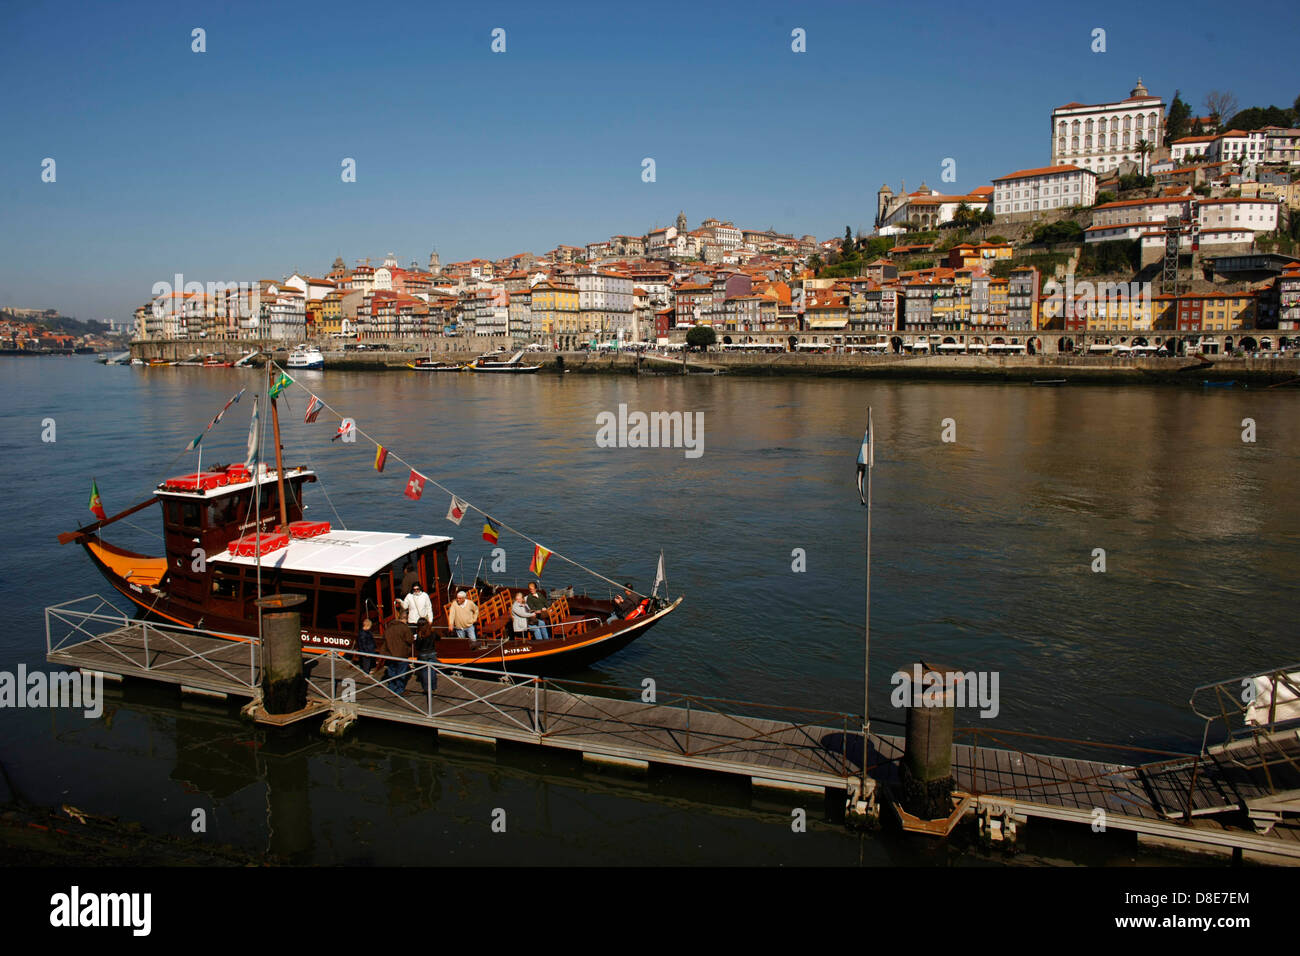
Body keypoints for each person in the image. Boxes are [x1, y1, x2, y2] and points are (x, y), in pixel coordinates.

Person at [383, 606, 414, 694]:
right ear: (405, 618)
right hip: (401, 655)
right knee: (401, 673)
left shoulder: (389, 627)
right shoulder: (405, 628)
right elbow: (410, 640)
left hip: (390, 654)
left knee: (391, 671)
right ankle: (399, 690)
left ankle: (391, 687)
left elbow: (384, 638)